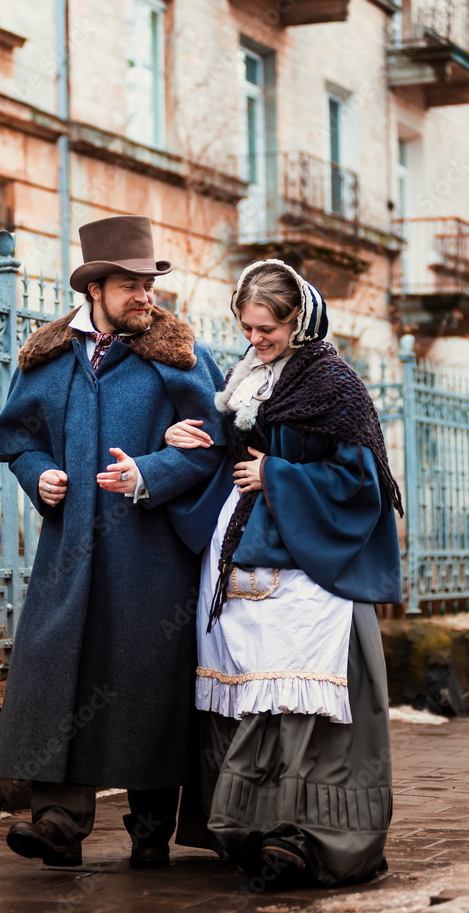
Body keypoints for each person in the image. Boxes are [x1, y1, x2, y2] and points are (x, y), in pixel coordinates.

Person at [0, 214, 226, 869]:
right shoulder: (45, 358)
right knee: (56, 673)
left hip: (150, 557)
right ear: (95, 288)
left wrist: (149, 472)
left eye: (149, 284)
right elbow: (16, 441)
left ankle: (150, 826)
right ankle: (58, 823)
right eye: (130, 285)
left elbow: (214, 447)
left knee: (148, 685)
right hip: (68, 556)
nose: (145, 296)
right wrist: (42, 476)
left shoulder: (181, 357)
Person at [166, 258, 403, 888]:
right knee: (245, 696)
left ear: (298, 320)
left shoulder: (334, 385)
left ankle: (305, 839)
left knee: (300, 705)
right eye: (246, 327)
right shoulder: (249, 377)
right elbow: (233, 450)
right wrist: (189, 440)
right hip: (240, 572)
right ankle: (248, 833)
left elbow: (361, 484)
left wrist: (276, 475)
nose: (254, 338)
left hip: (307, 578)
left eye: (266, 327)